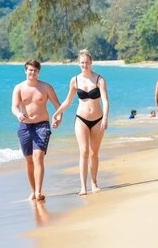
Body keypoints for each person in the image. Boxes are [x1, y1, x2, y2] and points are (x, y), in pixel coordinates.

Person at [52, 49, 110, 195]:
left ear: (91, 63)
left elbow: (105, 101)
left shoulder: (99, 79)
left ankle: (94, 183)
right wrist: (56, 114)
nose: (85, 65)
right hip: (81, 119)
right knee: (84, 151)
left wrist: (105, 117)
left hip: (98, 120)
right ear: (79, 64)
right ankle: (83, 187)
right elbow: (68, 101)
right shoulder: (75, 80)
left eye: (87, 62)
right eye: (82, 63)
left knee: (94, 153)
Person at [12, 59, 62, 201]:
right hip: (25, 126)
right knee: (29, 160)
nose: (32, 73)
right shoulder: (19, 88)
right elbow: (14, 106)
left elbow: (57, 105)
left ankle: (39, 191)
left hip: (42, 125)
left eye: (35, 70)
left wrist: (58, 117)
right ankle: (33, 191)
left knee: (38, 157)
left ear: (38, 72)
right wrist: (18, 114)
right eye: (30, 70)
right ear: (25, 71)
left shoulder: (46, 87)